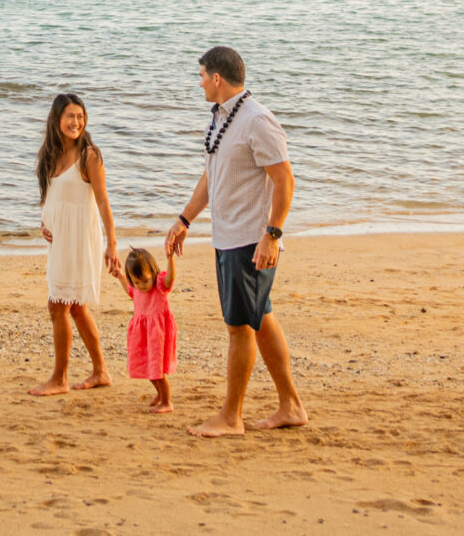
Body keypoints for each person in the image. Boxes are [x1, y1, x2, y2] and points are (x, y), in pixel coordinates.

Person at [162, 45, 308, 437]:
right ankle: (291, 406)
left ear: (217, 78)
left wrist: (272, 235)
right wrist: (184, 219)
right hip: (227, 237)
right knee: (259, 319)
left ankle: (232, 417)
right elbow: (212, 176)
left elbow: (285, 180)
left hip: (250, 239)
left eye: (202, 76)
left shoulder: (257, 120)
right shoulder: (223, 119)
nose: (200, 83)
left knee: (240, 326)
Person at [29, 91, 121, 396]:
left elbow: (103, 200)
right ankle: (101, 372)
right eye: (70, 116)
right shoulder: (49, 153)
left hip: (81, 236)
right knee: (77, 307)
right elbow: (51, 194)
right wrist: (45, 220)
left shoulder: (89, 155)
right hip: (59, 238)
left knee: (58, 306)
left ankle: (60, 378)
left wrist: (112, 244)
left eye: (80, 116)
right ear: (57, 119)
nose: (76, 122)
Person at [120, 243, 179, 412]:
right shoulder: (137, 289)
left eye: (145, 280)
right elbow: (129, 290)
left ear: (153, 273)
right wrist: (119, 276)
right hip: (142, 336)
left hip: (157, 335)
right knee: (148, 368)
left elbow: (170, 279)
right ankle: (160, 394)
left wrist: (171, 259)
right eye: (136, 281)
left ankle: (167, 402)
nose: (141, 285)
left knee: (158, 371)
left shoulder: (159, 286)